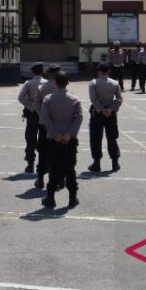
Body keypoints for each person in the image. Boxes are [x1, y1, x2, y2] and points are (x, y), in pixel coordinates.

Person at [40, 72, 83, 208]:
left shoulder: (48, 99)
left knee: (54, 168)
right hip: (69, 139)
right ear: (68, 83)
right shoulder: (74, 99)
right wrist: (69, 134)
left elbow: (46, 118)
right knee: (70, 169)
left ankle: (50, 197)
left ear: (55, 83)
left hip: (54, 139)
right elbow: (79, 118)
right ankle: (72, 197)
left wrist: (55, 134)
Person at [87, 62, 122, 172]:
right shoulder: (115, 83)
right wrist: (111, 109)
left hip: (97, 112)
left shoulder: (93, 83)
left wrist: (101, 109)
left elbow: (93, 99)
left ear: (98, 71)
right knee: (112, 137)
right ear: (109, 71)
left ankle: (96, 163)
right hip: (110, 112)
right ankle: (115, 162)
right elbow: (119, 99)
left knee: (96, 138)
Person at [33, 63, 61, 189]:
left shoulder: (42, 87)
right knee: (58, 152)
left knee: (43, 152)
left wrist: (43, 116)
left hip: (44, 124)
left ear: (49, 73)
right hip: (58, 124)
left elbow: (36, 104)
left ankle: (40, 179)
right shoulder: (61, 87)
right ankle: (60, 179)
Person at [17, 64, 45, 174]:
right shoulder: (46, 83)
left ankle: (30, 164)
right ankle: (42, 164)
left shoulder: (29, 83)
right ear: (42, 71)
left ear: (33, 72)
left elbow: (20, 97)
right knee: (43, 139)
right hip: (43, 113)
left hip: (32, 113)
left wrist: (31, 106)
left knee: (30, 138)